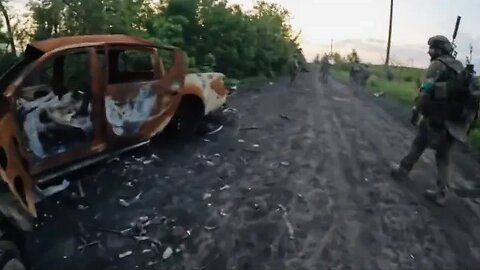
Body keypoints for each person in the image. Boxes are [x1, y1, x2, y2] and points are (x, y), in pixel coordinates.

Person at [390, 35, 469, 206]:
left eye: (432, 48)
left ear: (439, 49)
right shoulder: (459, 66)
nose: (429, 52)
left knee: (419, 143)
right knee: (444, 155)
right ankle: (442, 193)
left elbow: (426, 91)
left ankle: (403, 170)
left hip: (436, 116)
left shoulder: (437, 65)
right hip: (455, 120)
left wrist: (416, 110)